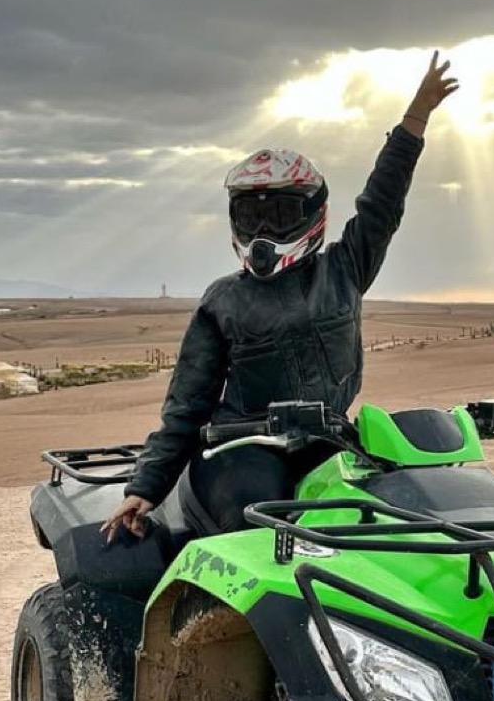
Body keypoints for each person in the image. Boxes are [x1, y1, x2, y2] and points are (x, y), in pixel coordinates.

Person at [84, 54, 463, 581]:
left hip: (328, 442)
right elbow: (186, 408)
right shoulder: (222, 301)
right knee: (272, 544)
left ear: (312, 215)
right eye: (251, 214)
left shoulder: (345, 269)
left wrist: (414, 120)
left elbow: (382, 203)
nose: (263, 227)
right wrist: (143, 489)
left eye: (279, 214)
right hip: (239, 452)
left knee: (397, 532)